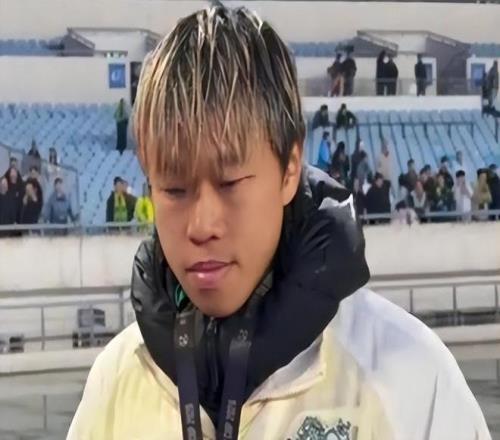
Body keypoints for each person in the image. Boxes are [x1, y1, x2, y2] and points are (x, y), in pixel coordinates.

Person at [68, 6, 491, 440]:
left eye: (230, 183)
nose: (201, 225)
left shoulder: (411, 380)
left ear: (290, 169)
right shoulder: (114, 384)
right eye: (174, 190)